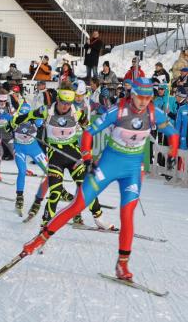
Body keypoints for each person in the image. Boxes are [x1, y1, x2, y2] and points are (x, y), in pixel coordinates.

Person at [19, 78, 179, 281]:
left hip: (131, 170)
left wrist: (173, 150)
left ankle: (122, 265)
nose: (143, 102)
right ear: (133, 94)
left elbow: (172, 132)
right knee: (77, 205)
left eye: (148, 98)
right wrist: (86, 156)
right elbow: (88, 132)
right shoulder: (118, 111)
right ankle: (37, 240)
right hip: (108, 166)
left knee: (127, 214)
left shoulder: (154, 113)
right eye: (140, 97)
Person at [11, 85, 112, 228]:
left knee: (86, 186)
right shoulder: (46, 110)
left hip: (72, 153)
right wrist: (12, 123)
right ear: (58, 99)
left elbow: (89, 133)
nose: (65, 106)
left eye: (69, 103)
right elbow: (27, 116)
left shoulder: (77, 113)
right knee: (56, 191)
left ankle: (98, 217)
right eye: (63, 102)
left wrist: (87, 153)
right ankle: (46, 224)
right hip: (55, 154)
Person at [7, 103, 48, 216]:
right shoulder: (15, 118)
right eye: (22, 115)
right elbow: (7, 127)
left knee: (50, 171)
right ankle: (19, 197)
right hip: (19, 148)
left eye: (26, 116)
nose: (24, 118)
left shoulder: (36, 119)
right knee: (22, 171)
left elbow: (43, 121)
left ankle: (57, 190)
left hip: (34, 147)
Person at [0, 90, 15, 181]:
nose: (2, 103)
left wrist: (11, 118)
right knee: (0, 152)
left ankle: (23, 169)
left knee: (15, 151)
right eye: (0, 101)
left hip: (7, 133)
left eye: (4, 101)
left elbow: (16, 115)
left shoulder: (9, 107)